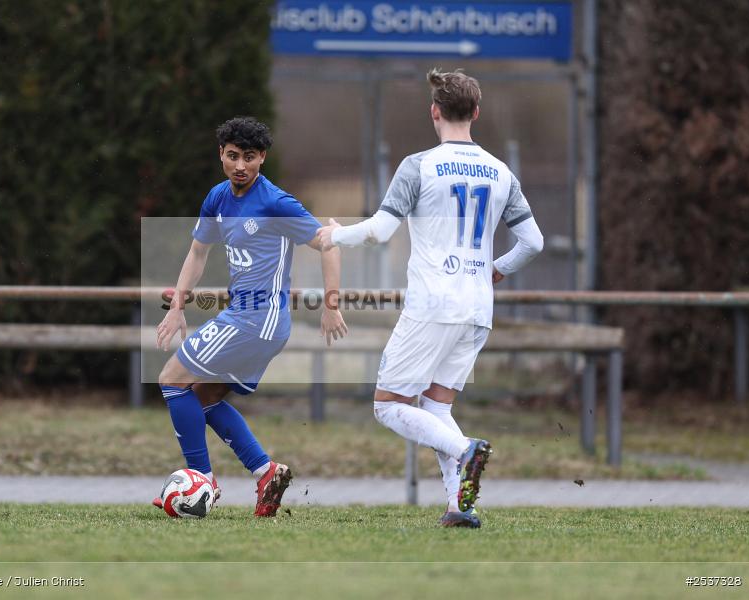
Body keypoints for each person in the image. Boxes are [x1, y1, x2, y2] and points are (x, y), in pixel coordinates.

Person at [317, 68, 543, 528]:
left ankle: (466, 449)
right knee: (436, 408)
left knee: (388, 405)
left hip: (434, 304)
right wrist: (496, 269)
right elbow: (533, 242)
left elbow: (381, 231)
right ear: (476, 112)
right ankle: (459, 506)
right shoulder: (501, 172)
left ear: (434, 112)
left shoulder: (419, 165)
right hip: (477, 307)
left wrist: (336, 235)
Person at [157, 116, 347, 517]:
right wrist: (177, 307)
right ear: (221, 155)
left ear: (262, 157)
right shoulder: (217, 198)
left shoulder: (276, 202)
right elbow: (197, 252)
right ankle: (265, 471)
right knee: (203, 398)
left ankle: (200, 482)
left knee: (172, 379)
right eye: (232, 156)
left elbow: (328, 244)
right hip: (252, 321)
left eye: (248, 157)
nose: (240, 165)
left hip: (256, 320)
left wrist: (331, 305)